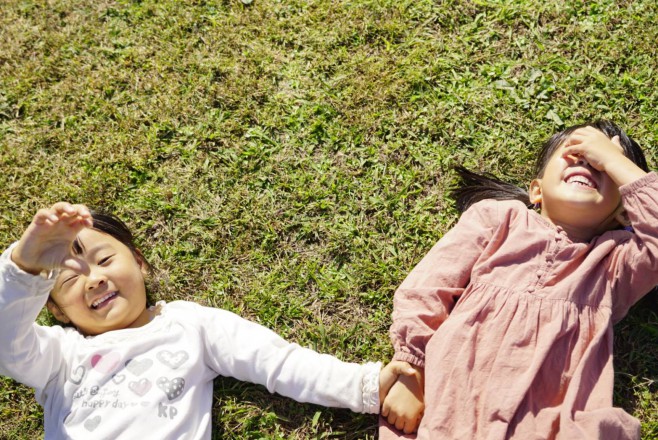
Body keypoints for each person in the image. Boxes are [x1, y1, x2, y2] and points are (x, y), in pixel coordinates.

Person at [0, 203, 414, 439]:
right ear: (53, 309)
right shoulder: (58, 356)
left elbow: (276, 361)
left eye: (105, 259)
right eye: (69, 278)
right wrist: (25, 266)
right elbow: (6, 342)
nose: (95, 279)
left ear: (139, 263)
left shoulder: (188, 325)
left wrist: (364, 386)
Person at [379, 120, 658, 439]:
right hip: (447, 409)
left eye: (600, 165)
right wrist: (411, 366)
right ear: (536, 190)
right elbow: (428, 287)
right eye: (575, 152)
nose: (587, 160)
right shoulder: (499, 219)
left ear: (625, 214)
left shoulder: (616, 265)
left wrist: (614, 160)